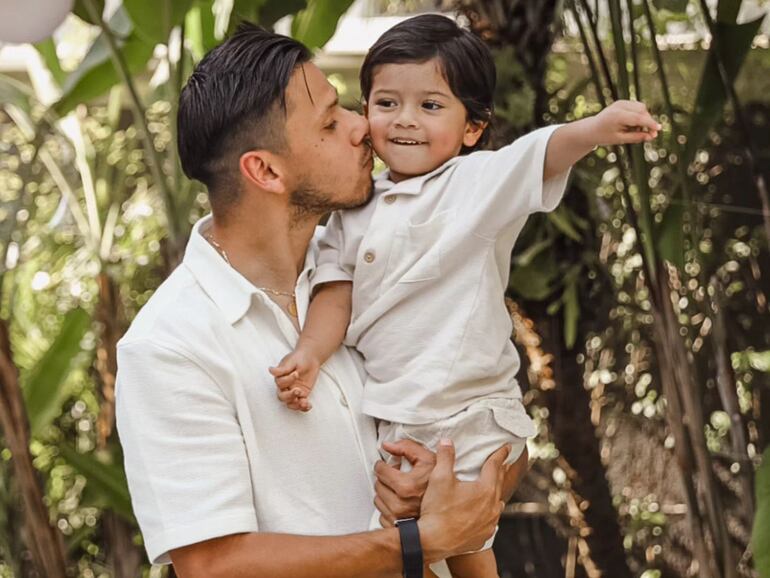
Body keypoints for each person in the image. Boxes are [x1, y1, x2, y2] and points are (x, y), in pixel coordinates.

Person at [115, 21, 529, 578]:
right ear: (265, 169)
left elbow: (506, 444)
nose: (365, 126)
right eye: (331, 123)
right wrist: (416, 542)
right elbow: (213, 565)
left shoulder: (372, 263)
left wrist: (448, 482)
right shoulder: (170, 345)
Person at [270, 14, 660, 578]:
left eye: (430, 106)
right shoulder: (350, 210)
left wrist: (596, 127)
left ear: (472, 127)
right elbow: (335, 293)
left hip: (469, 411)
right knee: (413, 552)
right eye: (386, 104)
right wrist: (309, 354)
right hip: (396, 418)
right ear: (365, 112)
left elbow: (541, 153)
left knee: (468, 542)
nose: (405, 121)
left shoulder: (474, 185)